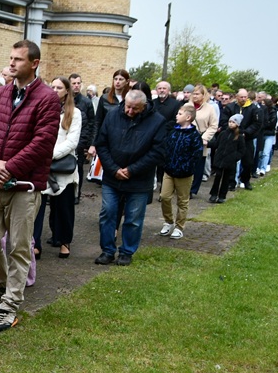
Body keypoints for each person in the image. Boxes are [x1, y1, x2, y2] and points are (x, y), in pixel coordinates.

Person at [0, 42, 58, 332]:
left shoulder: (47, 98)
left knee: (19, 248)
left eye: (18, 59)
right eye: (10, 58)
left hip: (23, 186)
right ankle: (3, 284)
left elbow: (43, 142)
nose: (12, 63)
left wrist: (9, 168)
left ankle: (9, 306)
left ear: (34, 63)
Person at [93, 89, 167, 266]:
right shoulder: (112, 115)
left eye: (135, 108)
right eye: (128, 107)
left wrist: (132, 170)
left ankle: (127, 251)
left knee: (133, 218)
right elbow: (102, 144)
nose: (130, 111)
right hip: (112, 176)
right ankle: (107, 250)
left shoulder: (157, 121)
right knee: (108, 213)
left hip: (139, 179)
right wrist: (113, 169)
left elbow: (157, 152)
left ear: (144, 106)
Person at [33, 76, 82, 261]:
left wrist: (49, 154)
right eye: (52, 87)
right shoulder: (42, 108)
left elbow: (72, 141)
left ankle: (64, 241)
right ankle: (34, 243)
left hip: (62, 165)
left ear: (67, 91)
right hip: (41, 164)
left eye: (59, 88)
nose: (54, 90)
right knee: (37, 206)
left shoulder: (74, 113)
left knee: (64, 207)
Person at [159, 103, 201, 239]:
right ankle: (169, 221)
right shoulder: (173, 131)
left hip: (184, 174)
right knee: (164, 197)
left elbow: (196, 154)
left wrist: (187, 167)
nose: (177, 116)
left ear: (188, 117)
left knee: (182, 201)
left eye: (180, 114)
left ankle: (179, 226)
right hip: (169, 171)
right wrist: (165, 162)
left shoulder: (194, 135)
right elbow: (166, 147)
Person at [188, 84, 219, 199]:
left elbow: (213, 125)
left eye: (197, 94)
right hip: (187, 138)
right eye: (194, 93)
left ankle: (192, 189)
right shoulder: (187, 106)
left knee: (198, 165)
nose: (195, 96)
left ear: (203, 95)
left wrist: (205, 138)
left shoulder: (210, 108)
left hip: (201, 139)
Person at [69, 73, 96, 204]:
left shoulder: (86, 102)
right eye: (74, 83)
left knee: (78, 168)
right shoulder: (64, 99)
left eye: (78, 83)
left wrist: (90, 144)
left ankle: (76, 194)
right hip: (65, 139)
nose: (76, 86)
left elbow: (92, 123)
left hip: (80, 141)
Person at [208, 114, 245, 203]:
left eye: (233, 122)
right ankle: (214, 194)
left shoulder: (239, 136)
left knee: (226, 179)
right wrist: (208, 144)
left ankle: (222, 195)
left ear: (237, 124)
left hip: (230, 161)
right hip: (220, 159)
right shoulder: (223, 133)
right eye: (230, 122)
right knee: (217, 177)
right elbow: (216, 144)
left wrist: (235, 157)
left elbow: (242, 150)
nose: (231, 124)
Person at [91, 69, 130, 141]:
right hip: (107, 136)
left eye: (121, 79)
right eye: (115, 79)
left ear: (127, 81)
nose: (117, 82)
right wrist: (93, 143)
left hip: (125, 137)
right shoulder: (105, 98)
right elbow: (98, 121)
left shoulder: (130, 98)